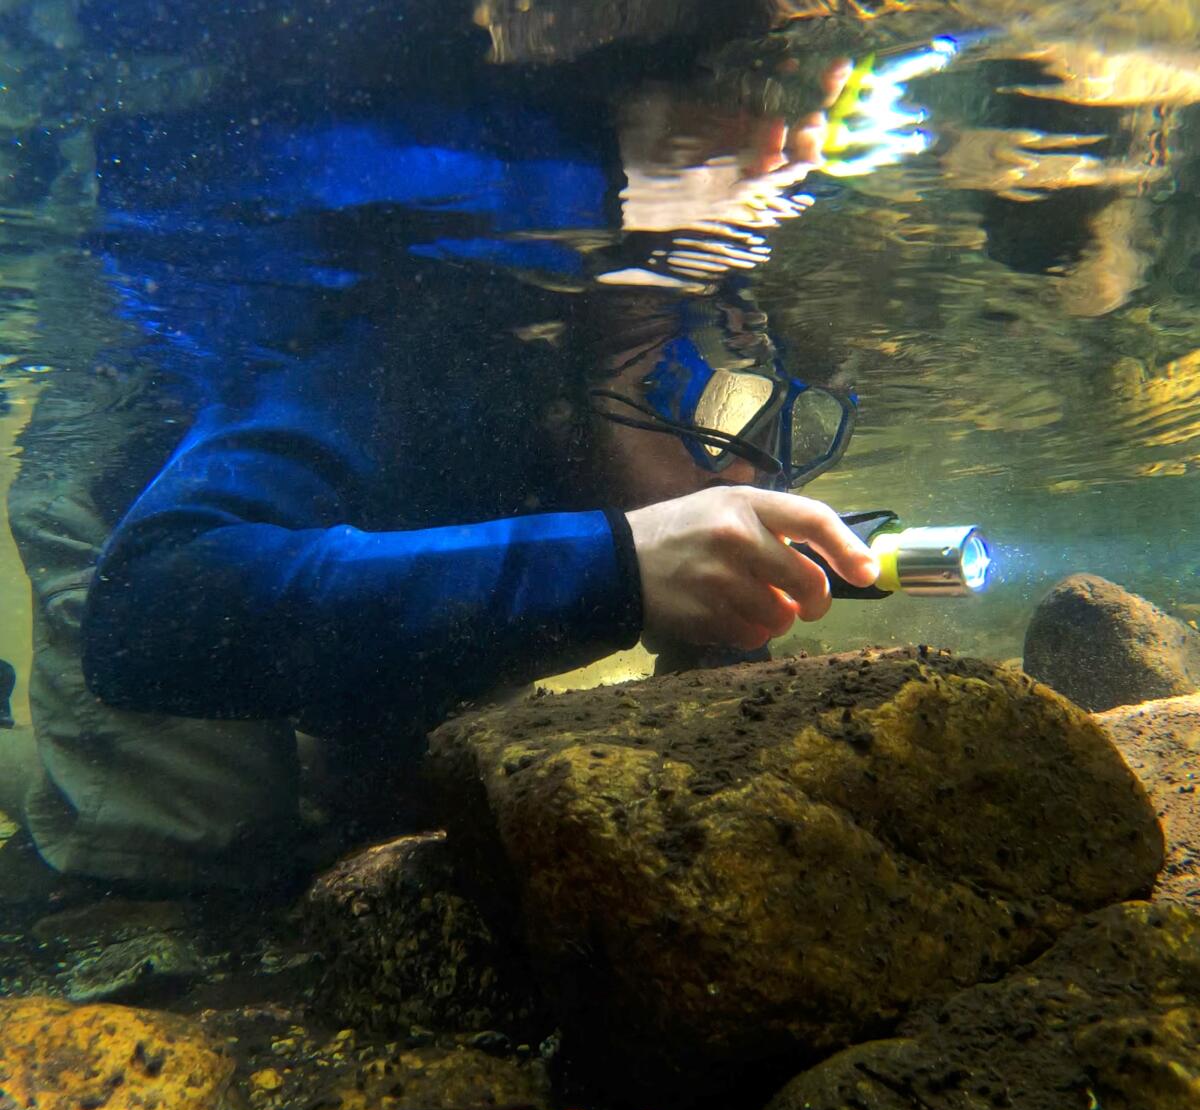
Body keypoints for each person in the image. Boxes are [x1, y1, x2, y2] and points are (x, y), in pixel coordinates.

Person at [5, 0, 880, 891]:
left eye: (785, 432)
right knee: (206, 841)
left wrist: (723, 637)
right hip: (147, 523)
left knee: (396, 799)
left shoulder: (638, 382)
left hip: (363, 540)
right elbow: (150, 614)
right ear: (612, 352)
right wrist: (623, 569)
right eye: (722, 414)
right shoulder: (420, 350)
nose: (750, 473)